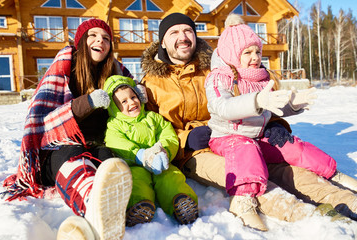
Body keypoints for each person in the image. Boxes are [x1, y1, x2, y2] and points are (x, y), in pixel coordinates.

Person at [141, 12, 357, 231]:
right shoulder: (152, 82)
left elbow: (253, 97)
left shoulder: (219, 66)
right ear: (163, 41)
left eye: (188, 30)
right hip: (194, 152)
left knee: (286, 169)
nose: (183, 36)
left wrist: (274, 123)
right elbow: (151, 128)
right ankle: (306, 214)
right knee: (250, 176)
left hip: (241, 133)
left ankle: (346, 202)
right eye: (174, 32)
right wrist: (186, 138)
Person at [204, 13, 347, 230]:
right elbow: (222, 107)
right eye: (247, 52)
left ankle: (332, 173)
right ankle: (242, 199)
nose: (255, 57)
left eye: (257, 52)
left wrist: (293, 105)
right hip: (227, 137)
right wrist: (257, 100)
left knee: (292, 145)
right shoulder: (219, 77)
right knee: (246, 149)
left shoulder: (260, 76)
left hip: (259, 134)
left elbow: (273, 107)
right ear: (234, 54)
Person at [3, 18, 133, 240]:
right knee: (73, 155)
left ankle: (97, 213)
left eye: (106, 39)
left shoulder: (117, 72)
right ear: (81, 41)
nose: (100, 41)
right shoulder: (64, 67)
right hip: (57, 151)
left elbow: (132, 106)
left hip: (96, 146)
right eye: (93, 36)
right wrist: (87, 103)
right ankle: (95, 204)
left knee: (108, 159)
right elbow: (42, 121)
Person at [103, 75, 198, 226]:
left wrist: (165, 151)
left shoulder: (152, 117)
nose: (132, 102)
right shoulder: (114, 125)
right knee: (136, 182)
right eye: (124, 101)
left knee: (171, 177)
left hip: (159, 162)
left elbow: (168, 135)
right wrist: (140, 155)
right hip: (135, 166)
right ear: (115, 107)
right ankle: (140, 206)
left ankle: (182, 202)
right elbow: (116, 144)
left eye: (133, 96)